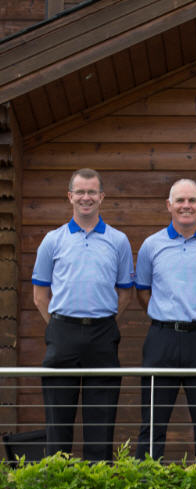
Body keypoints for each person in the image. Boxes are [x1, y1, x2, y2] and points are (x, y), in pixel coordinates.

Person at [31, 168, 134, 461]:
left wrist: (101, 325)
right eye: (80, 192)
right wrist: (60, 328)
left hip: (102, 333)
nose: (86, 198)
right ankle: (58, 483)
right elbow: (40, 296)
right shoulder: (52, 240)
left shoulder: (118, 241)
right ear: (70, 196)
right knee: (58, 418)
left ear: (101, 197)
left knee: (101, 421)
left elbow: (124, 293)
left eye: (92, 192)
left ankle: (97, 486)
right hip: (62, 333)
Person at [134, 179, 196, 463]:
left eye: (192, 200)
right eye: (180, 200)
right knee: (152, 423)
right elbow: (143, 292)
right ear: (169, 205)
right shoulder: (151, 245)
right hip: (161, 340)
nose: (186, 206)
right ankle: (144, 485)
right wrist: (166, 315)